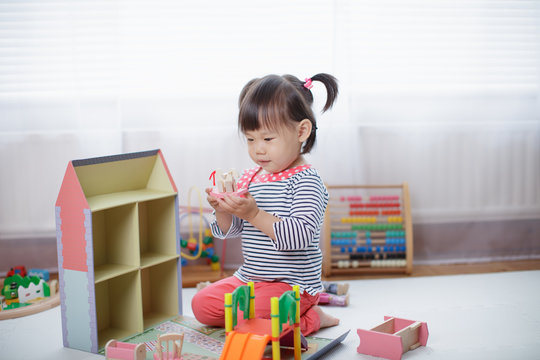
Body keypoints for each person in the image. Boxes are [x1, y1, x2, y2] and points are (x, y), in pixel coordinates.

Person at [191, 73, 339, 336]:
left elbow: (299, 238)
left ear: (301, 131)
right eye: (250, 139)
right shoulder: (251, 177)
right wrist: (222, 209)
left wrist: (255, 213)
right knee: (201, 305)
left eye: (268, 139)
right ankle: (271, 318)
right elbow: (230, 231)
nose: (258, 149)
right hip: (250, 279)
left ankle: (313, 316)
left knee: (257, 324)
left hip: (292, 286)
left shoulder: (307, 181)